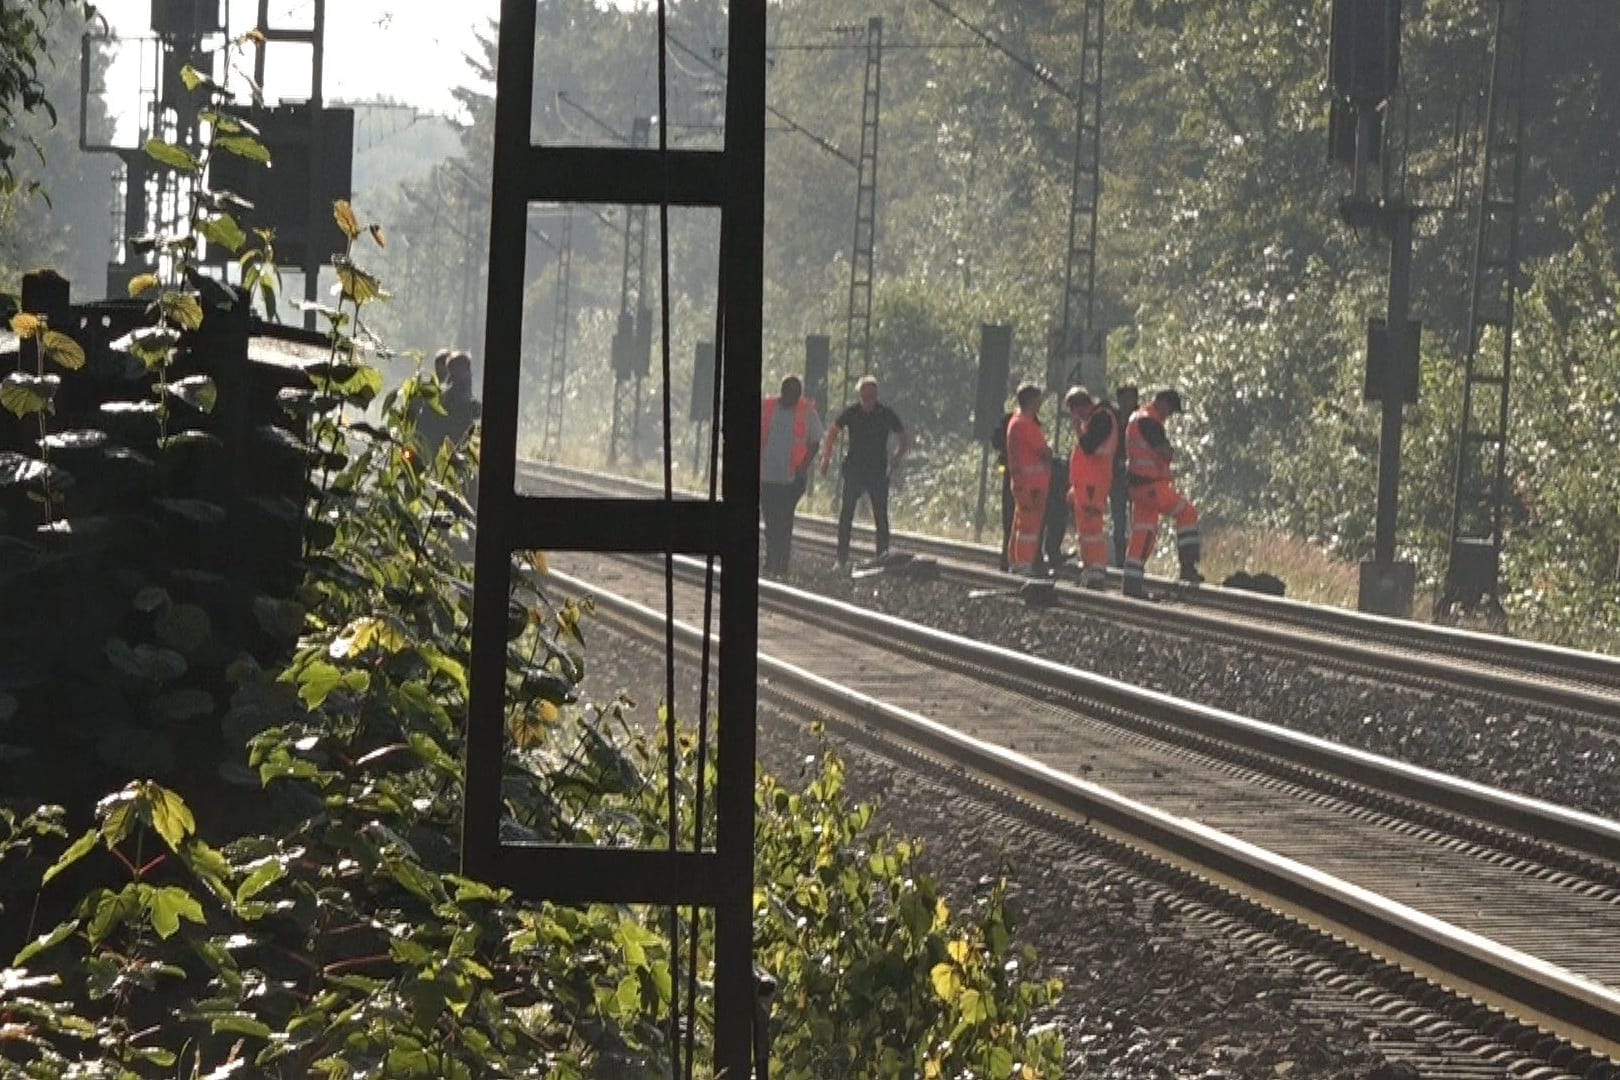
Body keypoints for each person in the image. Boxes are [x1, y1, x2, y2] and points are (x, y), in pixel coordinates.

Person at [820, 375, 908, 569]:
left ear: (876, 395)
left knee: (880, 515)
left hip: (877, 471)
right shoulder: (852, 413)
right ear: (860, 394)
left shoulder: (885, 414)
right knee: (847, 515)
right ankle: (841, 559)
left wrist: (895, 459)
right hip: (855, 470)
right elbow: (833, 432)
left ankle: (882, 557)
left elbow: (903, 438)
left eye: (872, 394)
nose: (868, 397)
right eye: (865, 393)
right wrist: (826, 457)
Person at [1122, 388, 1201, 598]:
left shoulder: (1136, 417)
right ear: (1162, 402)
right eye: (1170, 410)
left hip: (1138, 487)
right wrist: (1170, 455)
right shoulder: (1150, 421)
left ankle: (1131, 582)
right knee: (1187, 512)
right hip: (1151, 487)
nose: (1169, 415)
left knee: (1142, 533)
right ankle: (1188, 567)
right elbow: (1164, 450)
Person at [760, 374, 824, 575]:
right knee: (771, 522)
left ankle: (781, 563)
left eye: (796, 394)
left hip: (792, 478)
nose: (792, 398)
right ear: (782, 392)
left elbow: (815, 442)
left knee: (785, 521)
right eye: (789, 393)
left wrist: (804, 466)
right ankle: (772, 560)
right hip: (767, 475)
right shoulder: (767, 408)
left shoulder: (806, 412)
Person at [1064, 386, 1117, 589]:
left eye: (1074, 410)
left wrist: (1078, 429)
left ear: (1081, 406)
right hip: (1086, 484)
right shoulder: (1093, 420)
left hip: (1094, 482)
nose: (1073, 416)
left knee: (1092, 527)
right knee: (1086, 528)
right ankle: (1090, 569)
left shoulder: (1101, 418)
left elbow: (1089, 447)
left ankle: (1096, 570)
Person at [1003, 382, 1052, 575]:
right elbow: (1044, 452)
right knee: (1029, 527)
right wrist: (1049, 451)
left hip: (1022, 483)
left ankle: (1016, 562)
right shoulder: (1025, 424)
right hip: (1032, 485)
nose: (1040, 403)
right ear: (1031, 401)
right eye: (1038, 399)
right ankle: (1023, 564)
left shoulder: (1016, 421)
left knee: (1020, 524)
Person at [1109, 384, 1138, 566]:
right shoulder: (1113, 420)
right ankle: (1120, 560)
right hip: (1117, 475)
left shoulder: (1142, 419)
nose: (1128, 403)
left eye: (1131, 398)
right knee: (1118, 520)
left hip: (1138, 476)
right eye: (1125, 399)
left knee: (1137, 521)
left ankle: (1135, 559)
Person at [988, 406, 1015, 571]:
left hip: (1011, 473)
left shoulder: (1010, 420)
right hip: (1018, 475)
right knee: (1011, 517)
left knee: (1009, 517)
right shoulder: (1022, 421)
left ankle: (1007, 558)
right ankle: (1009, 557)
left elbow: (996, 441)